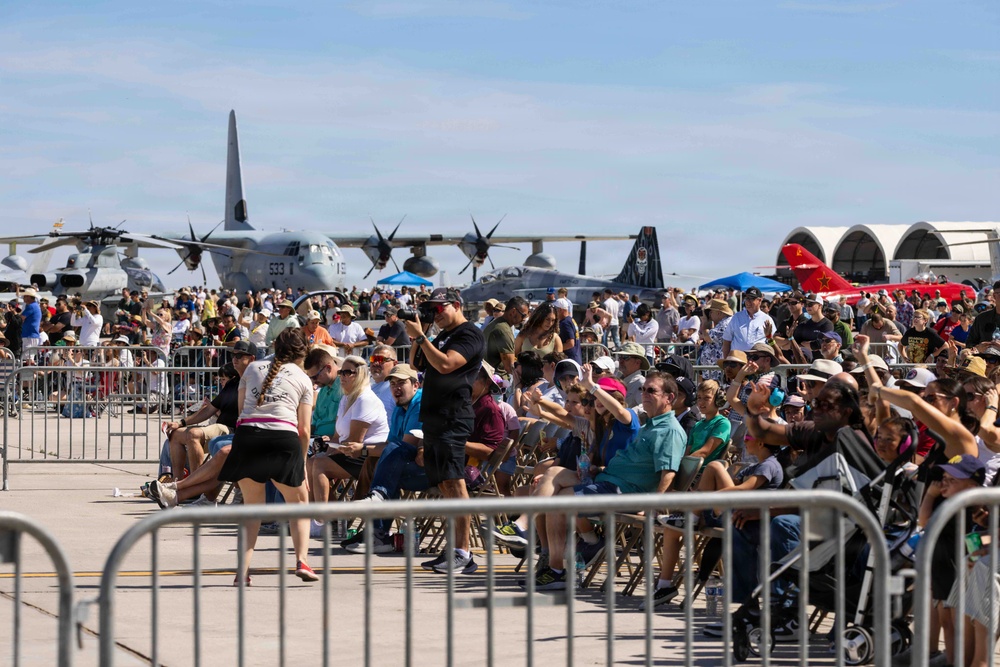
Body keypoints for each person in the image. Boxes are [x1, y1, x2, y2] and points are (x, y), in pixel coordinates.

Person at [526, 371, 687, 590]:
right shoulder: (651, 425)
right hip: (607, 481)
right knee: (553, 475)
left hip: (622, 491)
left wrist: (653, 505)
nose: (645, 394)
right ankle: (544, 551)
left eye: (652, 390)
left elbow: (668, 472)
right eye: (643, 390)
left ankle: (556, 568)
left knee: (560, 501)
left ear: (669, 398)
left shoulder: (668, 430)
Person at [217, 329, 318, 585]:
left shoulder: (251, 369)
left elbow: (241, 413)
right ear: (303, 351)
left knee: (252, 511)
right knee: (299, 507)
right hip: (283, 439)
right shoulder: (304, 380)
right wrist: (301, 464)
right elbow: (304, 430)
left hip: (249, 437)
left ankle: (242, 572)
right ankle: (302, 560)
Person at [402, 287, 485, 575]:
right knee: (445, 485)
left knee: (455, 482)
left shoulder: (469, 334)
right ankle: (454, 549)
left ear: (456, 305)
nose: (436, 315)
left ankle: (464, 552)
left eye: (440, 309)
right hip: (435, 417)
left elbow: (447, 364)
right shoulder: (441, 334)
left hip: (453, 416)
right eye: (432, 310)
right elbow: (417, 363)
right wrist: (419, 333)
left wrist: (423, 337)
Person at [345, 364, 426, 553]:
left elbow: (408, 446)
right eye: (393, 384)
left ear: (415, 385)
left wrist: (364, 449)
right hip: (408, 466)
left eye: (402, 383)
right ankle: (377, 530)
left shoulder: (420, 404)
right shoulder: (400, 408)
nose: (396, 388)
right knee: (376, 462)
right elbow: (391, 447)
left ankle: (377, 530)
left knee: (388, 465)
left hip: (431, 470)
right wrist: (362, 449)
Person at [159, 342, 259, 482]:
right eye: (233, 355)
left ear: (252, 359)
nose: (235, 358)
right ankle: (177, 483)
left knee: (194, 434)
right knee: (175, 434)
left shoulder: (257, 381)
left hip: (235, 431)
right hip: (220, 428)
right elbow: (209, 410)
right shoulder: (232, 383)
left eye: (240, 355)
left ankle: (195, 485)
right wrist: (180, 423)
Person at [306, 355, 389, 513]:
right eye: (341, 372)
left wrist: (326, 455)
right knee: (311, 461)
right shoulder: (346, 397)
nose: (342, 376)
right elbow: (337, 437)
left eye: (347, 372)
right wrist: (325, 451)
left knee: (319, 464)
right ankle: (317, 517)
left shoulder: (365, 399)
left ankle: (325, 517)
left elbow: (354, 442)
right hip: (349, 450)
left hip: (368, 454)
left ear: (360, 374)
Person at [481, 296, 529, 377]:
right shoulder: (504, 330)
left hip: (488, 377)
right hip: (499, 381)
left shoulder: (496, 324)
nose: (523, 319)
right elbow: (510, 368)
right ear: (513, 312)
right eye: (523, 315)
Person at [721, 287, 775, 358]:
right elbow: (727, 340)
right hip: (737, 362)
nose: (748, 302)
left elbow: (773, 341)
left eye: (752, 298)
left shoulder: (767, 319)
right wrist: (726, 361)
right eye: (746, 298)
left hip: (758, 362)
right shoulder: (736, 317)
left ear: (759, 300)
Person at [698, 298, 733, 381]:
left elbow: (707, 337)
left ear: (718, 313)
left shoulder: (726, 324)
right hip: (713, 371)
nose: (710, 315)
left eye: (711, 312)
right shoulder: (723, 322)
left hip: (718, 372)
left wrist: (705, 321)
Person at [613, 341, 649, 408]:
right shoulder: (618, 378)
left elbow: (645, 408)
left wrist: (629, 414)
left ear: (638, 362)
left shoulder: (640, 383)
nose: (621, 360)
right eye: (620, 356)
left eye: (626, 357)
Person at [556, 298, 582, 364]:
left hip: (570, 361)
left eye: (555, 309)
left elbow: (570, 343)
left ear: (560, 310)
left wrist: (556, 350)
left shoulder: (565, 323)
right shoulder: (571, 320)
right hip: (575, 358)